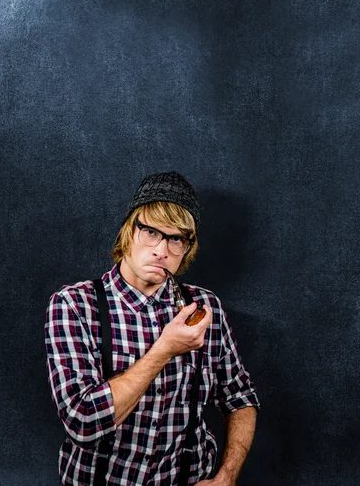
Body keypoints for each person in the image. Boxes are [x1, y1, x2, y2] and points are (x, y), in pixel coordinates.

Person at [45, 172, 260, 485]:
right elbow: (84, 422)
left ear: (188, 247)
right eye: (151, 232)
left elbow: (241, 398)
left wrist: (226, 477)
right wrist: (165, 348)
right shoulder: (75, 305)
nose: (162, 250)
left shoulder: (202, 308)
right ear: (129, 231)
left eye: (176, 239)